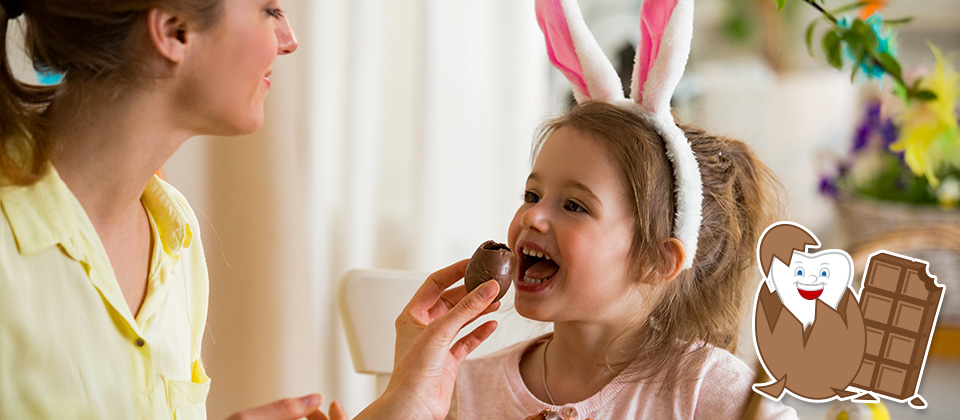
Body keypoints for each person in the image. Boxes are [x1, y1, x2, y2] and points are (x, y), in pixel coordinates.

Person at [0, 0, 501, 419]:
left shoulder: (172, 236)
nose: (288, 39)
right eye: (268, 11)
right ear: (175, 31)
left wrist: (400, 404)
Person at [446, 0, 798, 418]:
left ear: (654, 259)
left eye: (574, 205)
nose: (533, 218)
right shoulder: (466, 389)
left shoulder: (709, 391)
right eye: (532, 195)